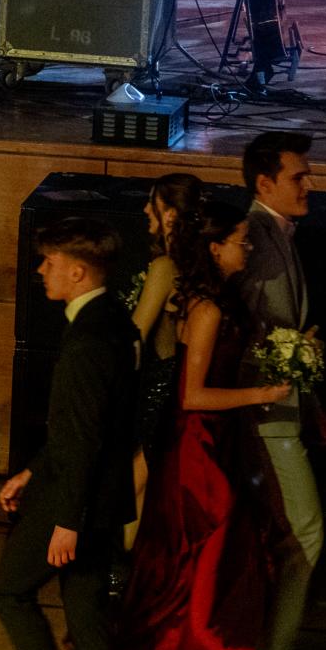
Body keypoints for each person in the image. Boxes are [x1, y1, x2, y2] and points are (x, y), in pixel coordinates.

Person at [116, 202, 288, 650]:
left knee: (217, 560)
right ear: (215, 248)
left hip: (219, 442)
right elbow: (192, 395)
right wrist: (262, 393)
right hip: (197, 448)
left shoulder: (223, 302)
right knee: (201, 555)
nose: (248, 248)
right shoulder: (207, 310)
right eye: (241, 241)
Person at [0, 217, 137, 650]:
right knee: (86, 613)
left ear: (77, 273)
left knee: (9, 593)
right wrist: (31, 470)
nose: (40, 271)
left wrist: (66, 520)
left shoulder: (88, 340)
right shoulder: (113, 321)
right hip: (101, 498)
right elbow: (87, 425)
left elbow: (83, 437)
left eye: (49, 262)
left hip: (74, 503)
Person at [231, 130, 326, 650]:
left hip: (283, 410)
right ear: (264, 182)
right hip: (265, 416)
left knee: (292, 536)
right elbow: (251, 332)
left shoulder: (278, 234)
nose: (310, 184)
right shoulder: (258, 237)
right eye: (300, 175)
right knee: (305, 533)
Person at [126, 173, 202, 548]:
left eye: (152, 202)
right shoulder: (196, 265)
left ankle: (119, 573)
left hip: (159, 390)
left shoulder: (164, 268)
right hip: (178, 389)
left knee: (132, 489)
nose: (145, 210)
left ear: (170, 214)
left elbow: (135, 336)